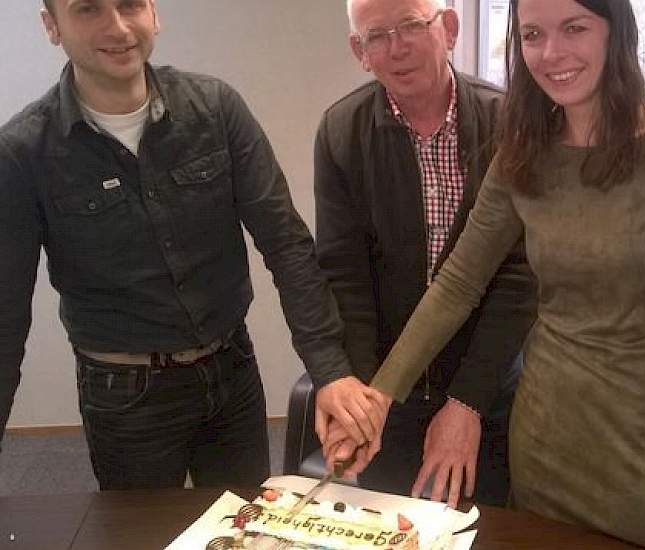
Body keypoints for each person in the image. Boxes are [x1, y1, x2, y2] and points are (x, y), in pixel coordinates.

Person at [331, 0, 645, 547]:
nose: (551, 54)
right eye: (532, 34)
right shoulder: (523, 152)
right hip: (546, 435)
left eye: (574, 28)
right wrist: (380, 398)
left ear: (614, 29)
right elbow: (458, 282)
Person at [0, 0, 384, 490]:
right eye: (89, 9)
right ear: (52, 26)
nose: (117, 27)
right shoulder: (23, 152)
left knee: (242, 529)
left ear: (154, 13)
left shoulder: (216, 109)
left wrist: (329, 370)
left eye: (129, 5)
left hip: (232, 373)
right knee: (141, 538)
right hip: (125, 398)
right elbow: (5, 319)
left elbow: (285, 242)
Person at [314, 0, 536, 508]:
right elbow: (346, 277)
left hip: (488, 381)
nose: (397, 47)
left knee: (485, 526)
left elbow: (519, 276)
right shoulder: (341, 132)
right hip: (390, 387)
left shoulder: (510, 124)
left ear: (450, 28)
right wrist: (371, 401)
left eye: (412, 25)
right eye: (376, 35)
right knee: (391, 527)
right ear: (359, 51)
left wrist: (467, 403)